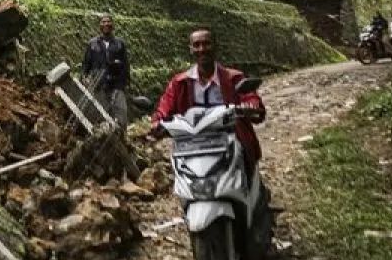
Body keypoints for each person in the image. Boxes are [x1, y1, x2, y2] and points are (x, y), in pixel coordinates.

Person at [150, 28, 266, 175]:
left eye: (206, 44)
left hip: (230, 138)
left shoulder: (234, 78)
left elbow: (251, 98)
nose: (202, 49)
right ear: (191, 49)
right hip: (194, 142)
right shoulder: (180, 82)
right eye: (197, 45)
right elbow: (165, 105)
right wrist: (157, 121)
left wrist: (250, 106)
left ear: (215, 46)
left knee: (245, 163)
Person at [82, 14, 131, 128]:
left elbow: (126, 65)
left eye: (108, 21)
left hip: (117, 85)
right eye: (103, 22)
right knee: (102, 117)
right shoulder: (92, 44)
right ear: (100, 25)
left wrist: (126, 83)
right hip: (99, 85)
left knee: (121, 116)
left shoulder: (120, 44)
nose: (106, 24)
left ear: (112, 25)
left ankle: (122, 140)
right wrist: (84, 77)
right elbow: (86, 64)